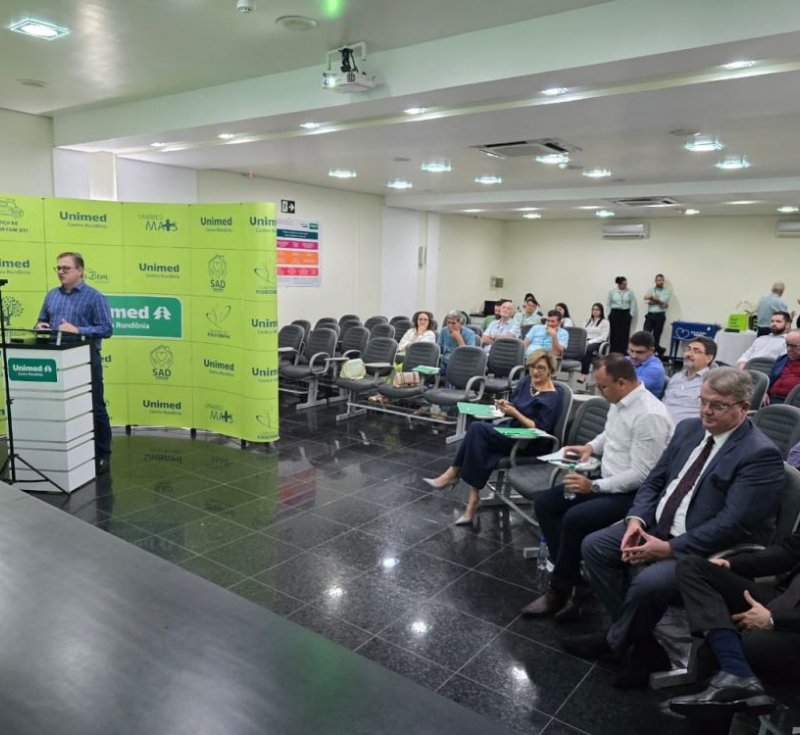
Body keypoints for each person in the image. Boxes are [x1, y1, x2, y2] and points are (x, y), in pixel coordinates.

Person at [567, 368, 783, 688]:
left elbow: (732, 524)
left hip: (705, 549)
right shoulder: (689, 429)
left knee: (649, 583)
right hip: (657, 526)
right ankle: (640, 644)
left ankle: (617, 641)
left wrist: (669, 548)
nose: (706, 411)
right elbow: (654, 481)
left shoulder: (759, 454)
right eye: (703, 401)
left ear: (742, 407)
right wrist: (636, 520)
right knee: (595, 546)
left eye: (717, 405)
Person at [521, 355, 673, 621]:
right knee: (546, 503)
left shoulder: (649, 415)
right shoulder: (620, 401)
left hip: (634, 495)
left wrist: (593, 486)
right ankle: (576, 581)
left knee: (575, 518)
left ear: (622, 383)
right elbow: (610, 434)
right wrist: (590, 447)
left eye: (602, 386)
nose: (599, 392)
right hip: (608, 480)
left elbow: (641, 476)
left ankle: (559, 590)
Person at [668, 529, 800, 718]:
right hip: (785, 599)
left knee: (726, 647)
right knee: (693, 567)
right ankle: (735, 671)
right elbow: (789, 551)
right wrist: (732, 563)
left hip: (793, 627)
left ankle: (735, 672)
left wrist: (773, 620)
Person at [423, 349, 563, 525]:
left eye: (541, 368)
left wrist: (515, 413)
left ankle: (454, 474)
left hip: (531, 442)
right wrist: (505, 406)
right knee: (479, 443)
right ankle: (472, 497)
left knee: (477, 430)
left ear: (551, 371)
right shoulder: (527, 381)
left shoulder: (553, 396)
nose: (535, 371)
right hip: (513, 431)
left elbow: (540, 428)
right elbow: (515, 405)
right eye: (532, 367)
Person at [35, 251, 113, 475]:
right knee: (58, 407)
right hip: (55, 360)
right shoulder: (52, 295)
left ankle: (102, 454)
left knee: (95, 406)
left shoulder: (94, 297)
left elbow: (107, 329)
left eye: (66, 268)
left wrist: (78, 330)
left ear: (80, 270)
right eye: (58, 268)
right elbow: (41, 320)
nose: (61, 272)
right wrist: (40, 326)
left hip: (85, 360)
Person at [662, 336, 717, 423]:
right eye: (688, 349)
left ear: (709, 358)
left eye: (696, 351)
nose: (688, 354)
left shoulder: (712, 382)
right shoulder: (676, 377)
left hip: (685, 429)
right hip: (660, 425)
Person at [577, 302, 609, 385]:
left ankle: (583, 374)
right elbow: (583, 332)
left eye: (597, 309)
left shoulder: (605, 322)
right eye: (593, 309)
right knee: (579, 348)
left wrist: (590, 342)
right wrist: (584, 341)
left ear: (601, 311)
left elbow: (604, 337)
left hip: (597, 341)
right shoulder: (587, 321)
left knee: (588, 349)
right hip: (585, 340)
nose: (595, 311)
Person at [627, 330, 666, 397]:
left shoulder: (655, 369)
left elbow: (626, 389)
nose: (633, 356)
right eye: (631, 351)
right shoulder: (627, 359)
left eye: (639, 352)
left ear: (651, 350)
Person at [766, 330, 800, 404]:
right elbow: (769, 379)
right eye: (787, 345)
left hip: (792, 403)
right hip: (770, 399)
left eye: (794, 346)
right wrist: (764, 393)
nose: (789, 349)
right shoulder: (782, 359)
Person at [643, 273, 671, 356]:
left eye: (662, 280)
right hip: (650, 315)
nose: (661, 282)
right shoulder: (651, 290)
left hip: (660, 316)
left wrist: (652, 298)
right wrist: (660, 302)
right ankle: (658, 350)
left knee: (656, 336)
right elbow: (646, 300)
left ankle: (654, 353)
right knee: (645, 334)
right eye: (659, 280)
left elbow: (664, 301)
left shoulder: (666, 291)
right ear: (655, 281)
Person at [607, 276, 637, 354]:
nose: (625, 285)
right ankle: (613, 351)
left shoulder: (630, 292)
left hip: (625, 313)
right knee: (614, 332)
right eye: (624, 284)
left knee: (625, 333)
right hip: (615, 313)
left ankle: (623, 351)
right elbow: (608, 303)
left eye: (626, 284)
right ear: (619, 284)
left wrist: (631, 314)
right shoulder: (612, 292)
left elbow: (633, 303)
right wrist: (609, 314)